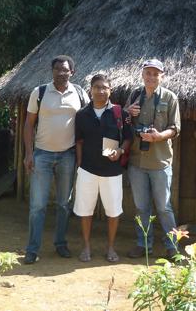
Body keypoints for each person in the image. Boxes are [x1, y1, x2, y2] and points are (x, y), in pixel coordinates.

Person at [22, 55, 89, 264]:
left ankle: (60, 244)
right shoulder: (39, 92)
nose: (61, 73)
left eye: (65, 70)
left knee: (63, 204)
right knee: (37, 205)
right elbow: (28, 124)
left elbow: (93, 116)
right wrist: (29, 153)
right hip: (41, 154)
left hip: (67, 155)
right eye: (57, 69)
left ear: (72, 72)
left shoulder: (79, 93)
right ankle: (32, 249)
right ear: (52, 72)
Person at [125, 59, 181, 259]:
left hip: (160, 162)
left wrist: (158, 136)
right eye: (148, 73)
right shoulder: (134, 96)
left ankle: (172, 247)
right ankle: (143, 245)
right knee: (141, 207)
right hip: (137, 162)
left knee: (164, 208)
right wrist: (127, 113)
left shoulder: (170, 97)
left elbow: (175, 128)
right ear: (142, 74)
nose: (151, 77)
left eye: (155, 74)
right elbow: (124, 124)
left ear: (162, 76)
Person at [74, 74, 133, 263]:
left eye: (104, 87)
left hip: (112, 171)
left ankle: (111, 248)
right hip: (87, 170)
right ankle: (86, 247)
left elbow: (129, 138)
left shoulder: (120, 114)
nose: (100, 91)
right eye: (97, 87)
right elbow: (79, 142)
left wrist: (121, 151)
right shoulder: (82, 115)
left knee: (113, 211)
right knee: (85, 210)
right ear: (90, 90)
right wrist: (80, 165)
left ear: (110, 90)